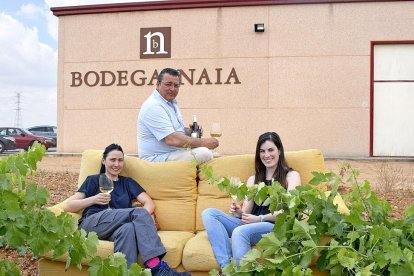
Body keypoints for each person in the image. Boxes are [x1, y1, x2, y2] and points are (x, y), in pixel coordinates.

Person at [64, 144, 191, 275]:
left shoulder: (127, 182)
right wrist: (93, 199)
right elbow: (68, 205)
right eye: (112, 160)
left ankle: (127, 273)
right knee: (138, 213)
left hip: (117, 226)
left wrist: (140, 221)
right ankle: (156, 268)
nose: (117, 164)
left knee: (128, 229)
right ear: (104, 161)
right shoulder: (94, 180)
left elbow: (149, 203)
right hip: (92, 224)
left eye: (120, 160)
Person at [201, 132, 301, 269]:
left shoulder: (291, 176)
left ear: (279, 150)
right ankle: (226, 269)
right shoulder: (253, 179)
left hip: (275, 225)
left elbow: (289, 211)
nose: (266, 155)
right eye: (262, 151)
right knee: (209, 213)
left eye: (270, 150)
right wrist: (238, 212)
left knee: (239, 232)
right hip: (252, 223)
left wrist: (260, 218)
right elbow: (246, 213)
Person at [137, 68, 219, 163]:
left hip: (172, 154)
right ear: (158, 84)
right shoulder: (153, 106)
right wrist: (204, 143)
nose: (172, 89)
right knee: (205, 153)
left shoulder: (170, 103)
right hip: (156, 159)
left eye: (176, 85)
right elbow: (171, 139)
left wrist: (190, 131)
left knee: (202, 153)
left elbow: (173, 131)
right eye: (168, 84)